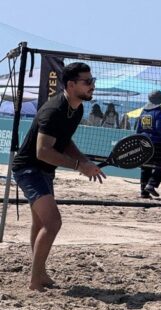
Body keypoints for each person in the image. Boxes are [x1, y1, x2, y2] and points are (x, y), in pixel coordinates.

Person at [11, 62, 106, 291]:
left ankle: (40, 274)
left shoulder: (77, 108)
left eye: (92, 81)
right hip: (29, 169)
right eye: (87, 82)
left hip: (44, 170)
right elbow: (42, 151)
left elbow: (65, 141)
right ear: (71, 85)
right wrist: (78, 166)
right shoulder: (54, 110)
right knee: (53, 222)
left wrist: (84, 161)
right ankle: (35, 280)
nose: (92, 85)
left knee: (40, 222)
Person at [136, 90, 161, 198]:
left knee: (145, 166)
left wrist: (139, 140)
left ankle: (144, 192)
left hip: (144, 142)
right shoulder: (159, 112)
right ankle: (151, 184)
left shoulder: (143, 112)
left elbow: (138, 129)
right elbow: (160, 128)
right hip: (158, 143)